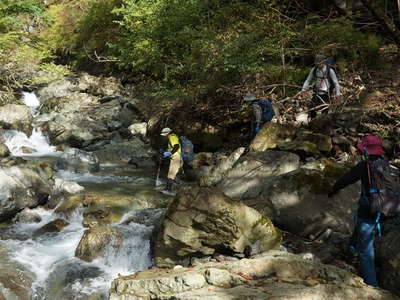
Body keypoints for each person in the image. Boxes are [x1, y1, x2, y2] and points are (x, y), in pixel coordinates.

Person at [328, 135, 385, 287]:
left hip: (368, 211)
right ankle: (351, 249)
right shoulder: (388, 166)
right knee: (360, 226)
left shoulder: (364, 166)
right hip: (386, 211)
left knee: (366, 253)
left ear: (366, 151)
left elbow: (345, 180)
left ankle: (373, 287)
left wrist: (333, 189)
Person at [160, 127, 182, 191]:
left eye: (164, 135)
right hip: (175, 157)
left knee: (171, 174)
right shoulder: (171, 137)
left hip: (176, 157)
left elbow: (176, 146)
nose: (164, 137)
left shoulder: (172, 137)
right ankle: (178, 187)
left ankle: (168, 189)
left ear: (168, 133)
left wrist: (169, 153)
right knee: (173, 173)